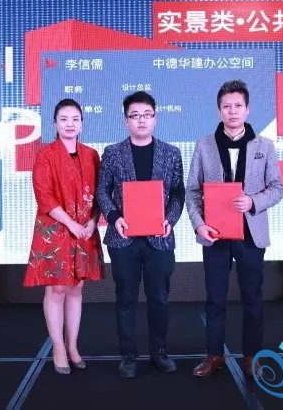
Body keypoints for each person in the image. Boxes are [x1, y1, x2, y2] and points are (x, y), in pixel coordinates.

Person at [185, 80, 283, 379]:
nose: (232, 111)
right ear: (219, 111)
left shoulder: (264, 146)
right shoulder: (204, 145)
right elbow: (192, 191)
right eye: (226, 106)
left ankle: (252, 356)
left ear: (247, 109)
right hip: (215, 233)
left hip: (251, 234)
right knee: (214, 297)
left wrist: (253, 201)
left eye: (237, 106)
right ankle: (214, 355)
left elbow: (278, 188)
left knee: (252, 297)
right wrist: (199, 224)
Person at [96, 91, 185, 378]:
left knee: (159, 299)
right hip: (124, 239)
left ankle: (160, 352)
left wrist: (170, 219)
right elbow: (102, 191)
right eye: (135, 116)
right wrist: (114, 218)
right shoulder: (113, 153)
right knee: (126, 299)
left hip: (160, 238)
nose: (141, 120)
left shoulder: (171, 153)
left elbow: (178, 193)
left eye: (147, 115)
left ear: (155, 118)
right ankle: (128, 356)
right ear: (126, 121)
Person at [24, 98, 104, 375]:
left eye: (75, 119)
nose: (70, 124)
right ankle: (58, 347)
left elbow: (101, 194)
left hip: (84, 230)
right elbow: (44, 196)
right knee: (56, 289)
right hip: (55, 230)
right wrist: (71, 223)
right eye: (64, 119)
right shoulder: (45, 154)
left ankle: (73, 346)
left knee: (76, 288)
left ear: (82, 123)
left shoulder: (91, 155)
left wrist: (92, 222)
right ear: (55, 123)